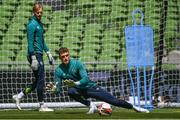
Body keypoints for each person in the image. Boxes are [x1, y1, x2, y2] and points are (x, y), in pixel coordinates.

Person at [46, 47, 150, 114]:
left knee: (113, 101)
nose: (66, 58)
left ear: (69, 55)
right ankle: (90, 105)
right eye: (63, 56)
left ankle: (135, 108)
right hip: (78, 90)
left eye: (67, 55)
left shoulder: (77, 63)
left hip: (90, 87)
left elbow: (86, 79)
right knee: (70, 91)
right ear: (60, 58)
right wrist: (55, 90)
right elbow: (58, 89)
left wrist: (75, 83)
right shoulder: (58, 71)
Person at [13, 3, 54, 112]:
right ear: (34, 12)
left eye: (41, 12)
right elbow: (30, 42)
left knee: (38, 80)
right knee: (41, 80)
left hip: (39, 54)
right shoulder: (31, 25)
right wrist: (33, 57)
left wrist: (48, 52)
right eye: (38, 12)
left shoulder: (40, 24)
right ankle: (41, 105)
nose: (40, 14)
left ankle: (19, 96)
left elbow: (42, 41)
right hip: (34, 55)